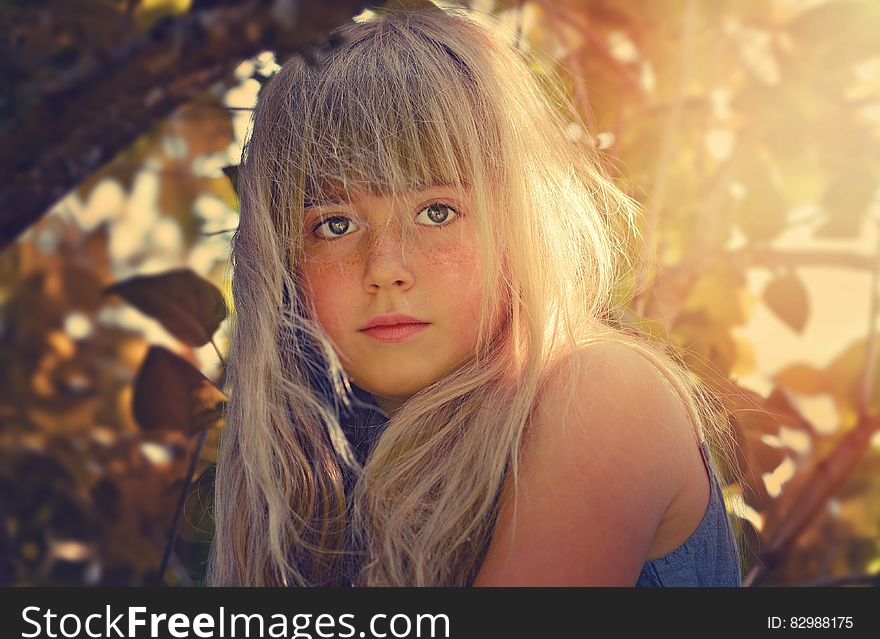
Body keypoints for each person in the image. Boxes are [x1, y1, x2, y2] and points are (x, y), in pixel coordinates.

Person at [206, 4, 745, 587]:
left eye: (437, 212)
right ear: (284, 263)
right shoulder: (313, 476)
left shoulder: (602, 391)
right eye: (334, 224)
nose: (385, 269)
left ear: (519, 226)